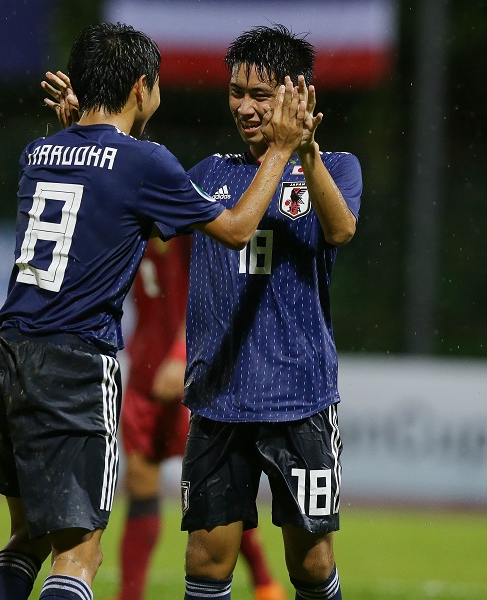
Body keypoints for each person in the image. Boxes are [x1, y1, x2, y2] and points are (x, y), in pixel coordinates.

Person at [0, 22, 305, 600]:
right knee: (78, 553)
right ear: (141, 87)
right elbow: (233, 230)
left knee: (24, 535)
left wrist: (82, 124)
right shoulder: (146, 163)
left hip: (8, 354)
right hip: (74, 362)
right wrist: (280, 150)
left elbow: (91, 169)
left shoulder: (39, 152)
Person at [42, 24, 361, 600]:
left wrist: (303, 150)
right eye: (236, 91)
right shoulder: (209, 173)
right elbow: (135, 200)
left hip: (301, 399)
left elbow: (340, 228)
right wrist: (86, 136)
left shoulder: (335, 167)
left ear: (297, 96)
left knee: (311, 564)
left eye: (260, 95)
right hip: (217, 401)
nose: (243, 106)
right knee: (206, 561)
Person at [114, 236, 286, 600]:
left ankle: (264, 581)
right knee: (140, 480)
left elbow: (210, 288)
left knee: (213, 491)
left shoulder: (187, 218)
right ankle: (129, 595)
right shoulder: (133, 211)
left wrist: (181, 354)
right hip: (145, 367)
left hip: (194, 368)